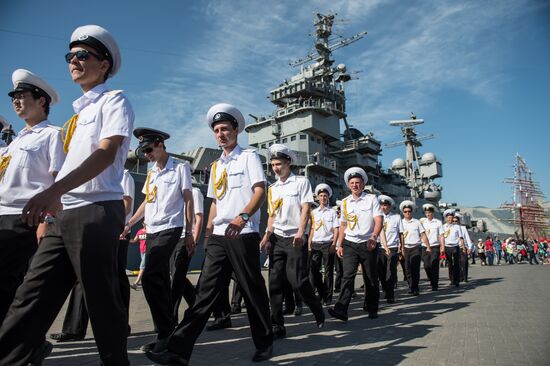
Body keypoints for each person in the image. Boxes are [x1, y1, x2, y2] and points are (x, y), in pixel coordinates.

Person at [0, 25, 134, 366]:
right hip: (63, 215)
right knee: (29, 298)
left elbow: (106, 153)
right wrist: (53, 209)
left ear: (103, 65)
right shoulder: (76, 117)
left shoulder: (114, 100)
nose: (73, 61)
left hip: (96, 210)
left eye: (82, 55)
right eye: (70, 56)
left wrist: (53, 192)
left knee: (101, 302)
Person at [146, 103, 273, 364]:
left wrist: (243, 216)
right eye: (216, 130)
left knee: (251, 290)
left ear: (237, 130)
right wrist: (207, 231)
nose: (221, 134)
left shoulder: (248, 157)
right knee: (205, 291)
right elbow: (214, 202)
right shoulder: (215, 166)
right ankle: (179, 350)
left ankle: (264, 342)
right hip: (219, 236)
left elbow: (260, 191)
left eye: (225, 129)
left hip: (243, 232)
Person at [121, 127, 194, 352]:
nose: (147, 155)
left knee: (151, 276)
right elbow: (146, 202)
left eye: (149, 149)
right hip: (151, 230)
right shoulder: (152, 173)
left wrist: (190, 232)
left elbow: (188, 200)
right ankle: (167, 331)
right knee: (160, 279)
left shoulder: (180, 168)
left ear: (160, 144)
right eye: (144, 151)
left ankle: (165, 329)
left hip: (171, 228)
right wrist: (129, 223)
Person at [0, 69, 63, 326]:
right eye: (13, 96)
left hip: (25, 218)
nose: (16, 100)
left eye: (22, 95)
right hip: (2, 217)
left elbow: (58, 181)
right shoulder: (13, 143)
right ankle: (27, 344)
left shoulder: (53, 135)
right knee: (9, 286)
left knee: (11, 284)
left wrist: (47, 221)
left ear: (42, 101)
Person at [50, 169, 134, 342]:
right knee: (80, 277)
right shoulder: (94, 173)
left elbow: (127, 203)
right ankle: (74, 329)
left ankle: (121, 325)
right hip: (92, 229)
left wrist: (118, 225)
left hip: (117, 231)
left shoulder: (124, 175)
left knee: (117, 278)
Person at [260, 143, 325, 339]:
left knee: (297, 281)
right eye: (273, 165)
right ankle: (277, 326)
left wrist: (300, 232)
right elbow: (272, 214)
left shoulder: (301, 182)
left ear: (288, 162)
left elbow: (305, 208)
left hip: (295, 238)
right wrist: (266, 236)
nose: (276, 168)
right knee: (274, 282)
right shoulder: (272, 188)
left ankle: (317, 309)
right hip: (277, 237)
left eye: (279, 164)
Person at [328, 167, 383, 321]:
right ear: (348, 185)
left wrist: (374, 236)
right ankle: (342, 310)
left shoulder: (372, 199)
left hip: (368, 243)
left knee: (370, 277)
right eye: (352, 183)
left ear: (363, 184)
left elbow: (379, 220)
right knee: (347, 276)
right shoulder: (345, 203)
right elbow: (343, 225)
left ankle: (372, 308)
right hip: (350, 243)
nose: (355, 185)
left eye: (357, 182)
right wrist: (340, 245)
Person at [171, 186, 203, 322]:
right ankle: (197, 304)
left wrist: (194, 241)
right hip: (173, 236)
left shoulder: (195, 192)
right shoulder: (176, 192)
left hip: (186, 238)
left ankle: (171, 317)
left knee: (177, 277)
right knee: (176, 275)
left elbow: (199, 217)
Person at [308, 183, 339, 306]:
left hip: (327, 244)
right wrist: (309, 244)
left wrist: (334, 244)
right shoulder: (314, 212)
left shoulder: (332, 212)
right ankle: (321, 292)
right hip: (315, 243)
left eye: (325, 196)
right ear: (317, 197)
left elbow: (336, 229)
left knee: (328, 271)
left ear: (328, 197)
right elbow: (312, 229)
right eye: (320, 196)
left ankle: (328, 297)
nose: (323, 198)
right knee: (314, 270)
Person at [400, 200, 430, 296]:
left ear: (412, 212)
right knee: (407, 269)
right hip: (405, 248)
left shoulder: (417, 222)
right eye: (405, 212)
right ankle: (411, 286)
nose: (407, 213)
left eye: (409, 211)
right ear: (403, 213)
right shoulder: (400, 223)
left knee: (415, 268)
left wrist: (428, 246)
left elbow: (423, 235)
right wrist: (400, 249)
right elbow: (398, 236)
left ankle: (415, 288)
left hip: (416, 247)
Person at [377, 195, 403, 303]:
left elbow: (401, 233)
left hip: (392, 248)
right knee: (381, 272)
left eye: (386, 205)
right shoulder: (376, 217)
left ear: (390, 206)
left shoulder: (396, 218)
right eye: (382, 205)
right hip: (379, 247)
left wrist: (401, 246)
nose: (384, 207)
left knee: (390, 272)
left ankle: (390, 295)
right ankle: (386, 289)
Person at [420, 203, 444, 291]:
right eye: (426, 212)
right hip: (424, 246)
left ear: (433, 213)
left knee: (434, 265)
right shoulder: (422, 222)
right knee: (426, 265)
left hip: (435, 246)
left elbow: (441, 235)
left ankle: (434, 284)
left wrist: (442, 247)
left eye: (429, 212)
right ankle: (431, 278)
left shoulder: (438, 222)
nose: (428, 214)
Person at [442, 209, 465, 287]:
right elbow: (441, 237)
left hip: (455, 246)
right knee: (450, 264)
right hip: (447, 247)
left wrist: (463, 247)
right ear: (446, 218)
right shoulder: (443, 227)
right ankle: (451, 279)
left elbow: (461, 238)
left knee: (456, 264)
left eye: (451, 217)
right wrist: (442, 247)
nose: (450, 219)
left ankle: (456, 280)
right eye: (448, 217)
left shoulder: (457, 227)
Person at [454, 213, 472, 282]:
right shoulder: (451, 228)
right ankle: (460, 277)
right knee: (457, 263)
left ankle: (465, 277)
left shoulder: (463, 228)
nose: (455, 222)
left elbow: (467, 237)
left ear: (459, 221)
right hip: (455, 247)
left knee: (464, 262)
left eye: (456, 221)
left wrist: (469, 247)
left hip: (463, 247)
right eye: (453, 221)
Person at [130, 222, 148, 288]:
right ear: (142, 224)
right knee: (145, 267)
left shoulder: (150, 231)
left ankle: (136, 283)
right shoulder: (139, 231)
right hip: (141, 251)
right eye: (144, 223)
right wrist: (128, 240)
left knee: (142, 266)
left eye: (146, 223)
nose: (145, 224)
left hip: (148, 251)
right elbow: (134, 240)